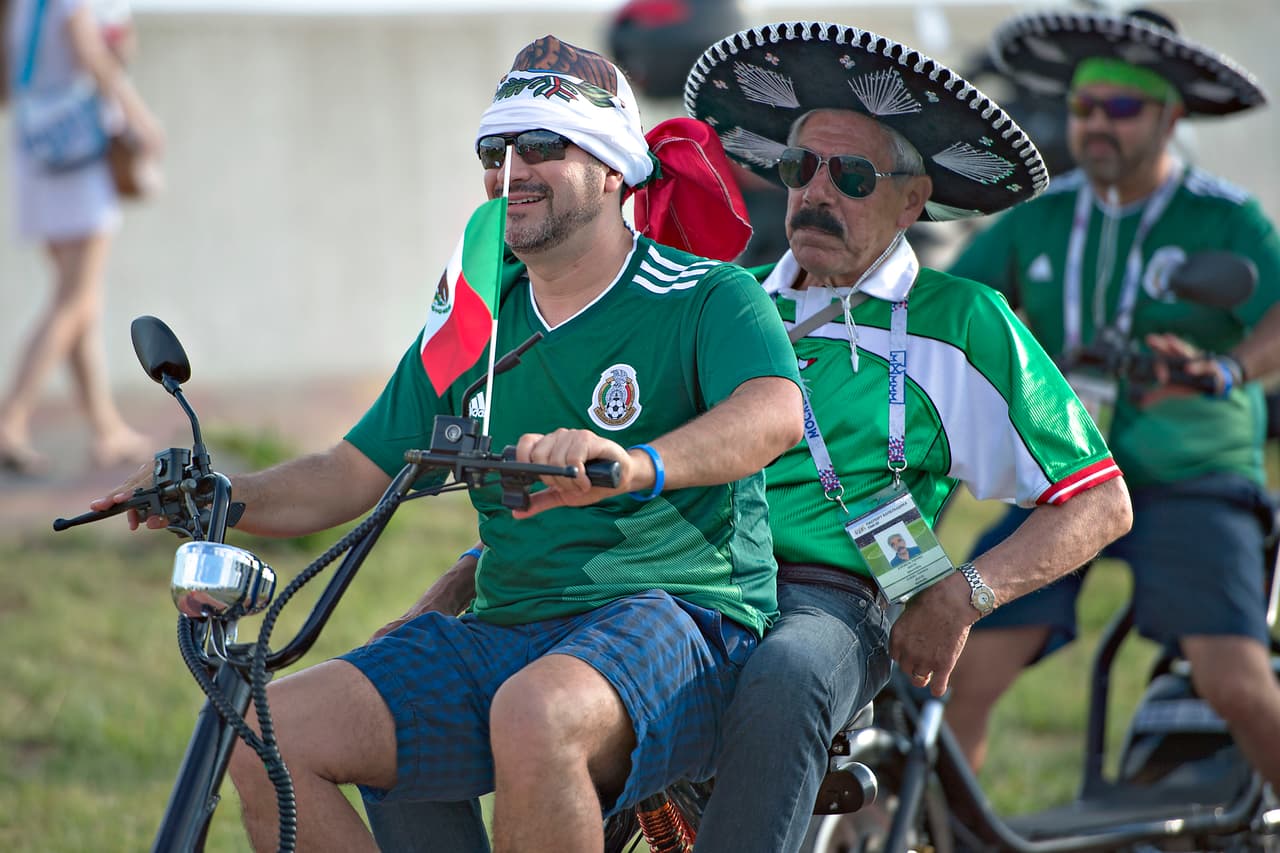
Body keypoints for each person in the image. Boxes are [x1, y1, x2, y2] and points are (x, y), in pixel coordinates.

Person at [364, 21, 1135, 853]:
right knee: (407, 672)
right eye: (799, 168)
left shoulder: (961, 323)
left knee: (787, 673)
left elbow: (1099, 500)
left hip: (826, 595)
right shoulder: (717, 299)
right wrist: (468, 574)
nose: (814, 192)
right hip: (662, 577)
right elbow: (609, 470)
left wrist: (961, 594)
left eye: (850, 174)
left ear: (913, 201)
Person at [91, 35, 803, 852]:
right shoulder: (475, 320)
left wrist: (638, 464)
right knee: (260, 728)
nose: (511, 169)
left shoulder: (709, 294)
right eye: (493, 150)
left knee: (536, 713)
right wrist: (212, 492)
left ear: (613, 169)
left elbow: (773, 411)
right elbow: (348, 471)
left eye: (541, 144)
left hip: (681, 614)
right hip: (511, 626)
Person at [943, 7, 1280, 791]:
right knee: (959, 663)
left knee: (1237, 682)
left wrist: (1227, 368)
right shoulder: (1044, 213)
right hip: (1071, 480)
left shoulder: (1224, 217)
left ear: (1170, 115)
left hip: (1193, 477)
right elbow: (958, 307)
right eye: (1085, 106)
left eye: (1121, 108)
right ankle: (951, 839)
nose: (1096, 123)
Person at [1, 0, 163, 474]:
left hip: (37, 151)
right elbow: (91, 53)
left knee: (79, 304)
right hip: (78, 153)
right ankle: (11, 416)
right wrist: (139, 117)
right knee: (76, 299)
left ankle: (106, 429)